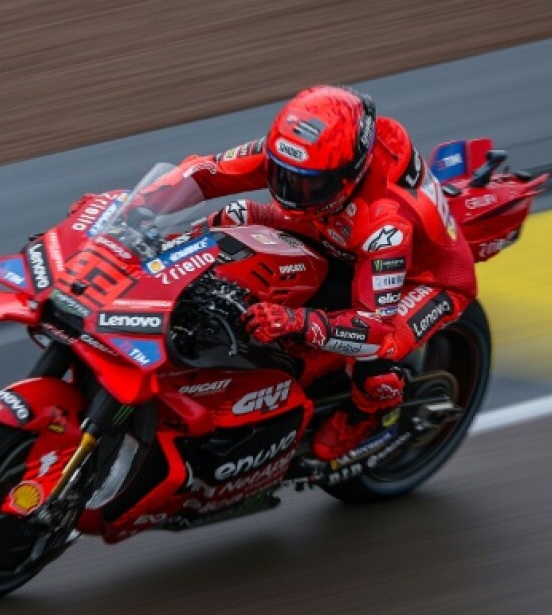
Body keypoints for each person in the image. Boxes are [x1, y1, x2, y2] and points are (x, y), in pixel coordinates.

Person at [156, 85, 477, 462]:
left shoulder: (386, 223)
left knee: (377, 356)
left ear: (350, 174)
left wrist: (295, 320)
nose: (291, 188)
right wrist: (132, 212)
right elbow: (206, 172)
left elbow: (376, 329)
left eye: (309, 182)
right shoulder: (307, 157)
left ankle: (366, 417)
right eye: (284, 174)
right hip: (332, 229)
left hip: (425, 277)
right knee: (234, 218)